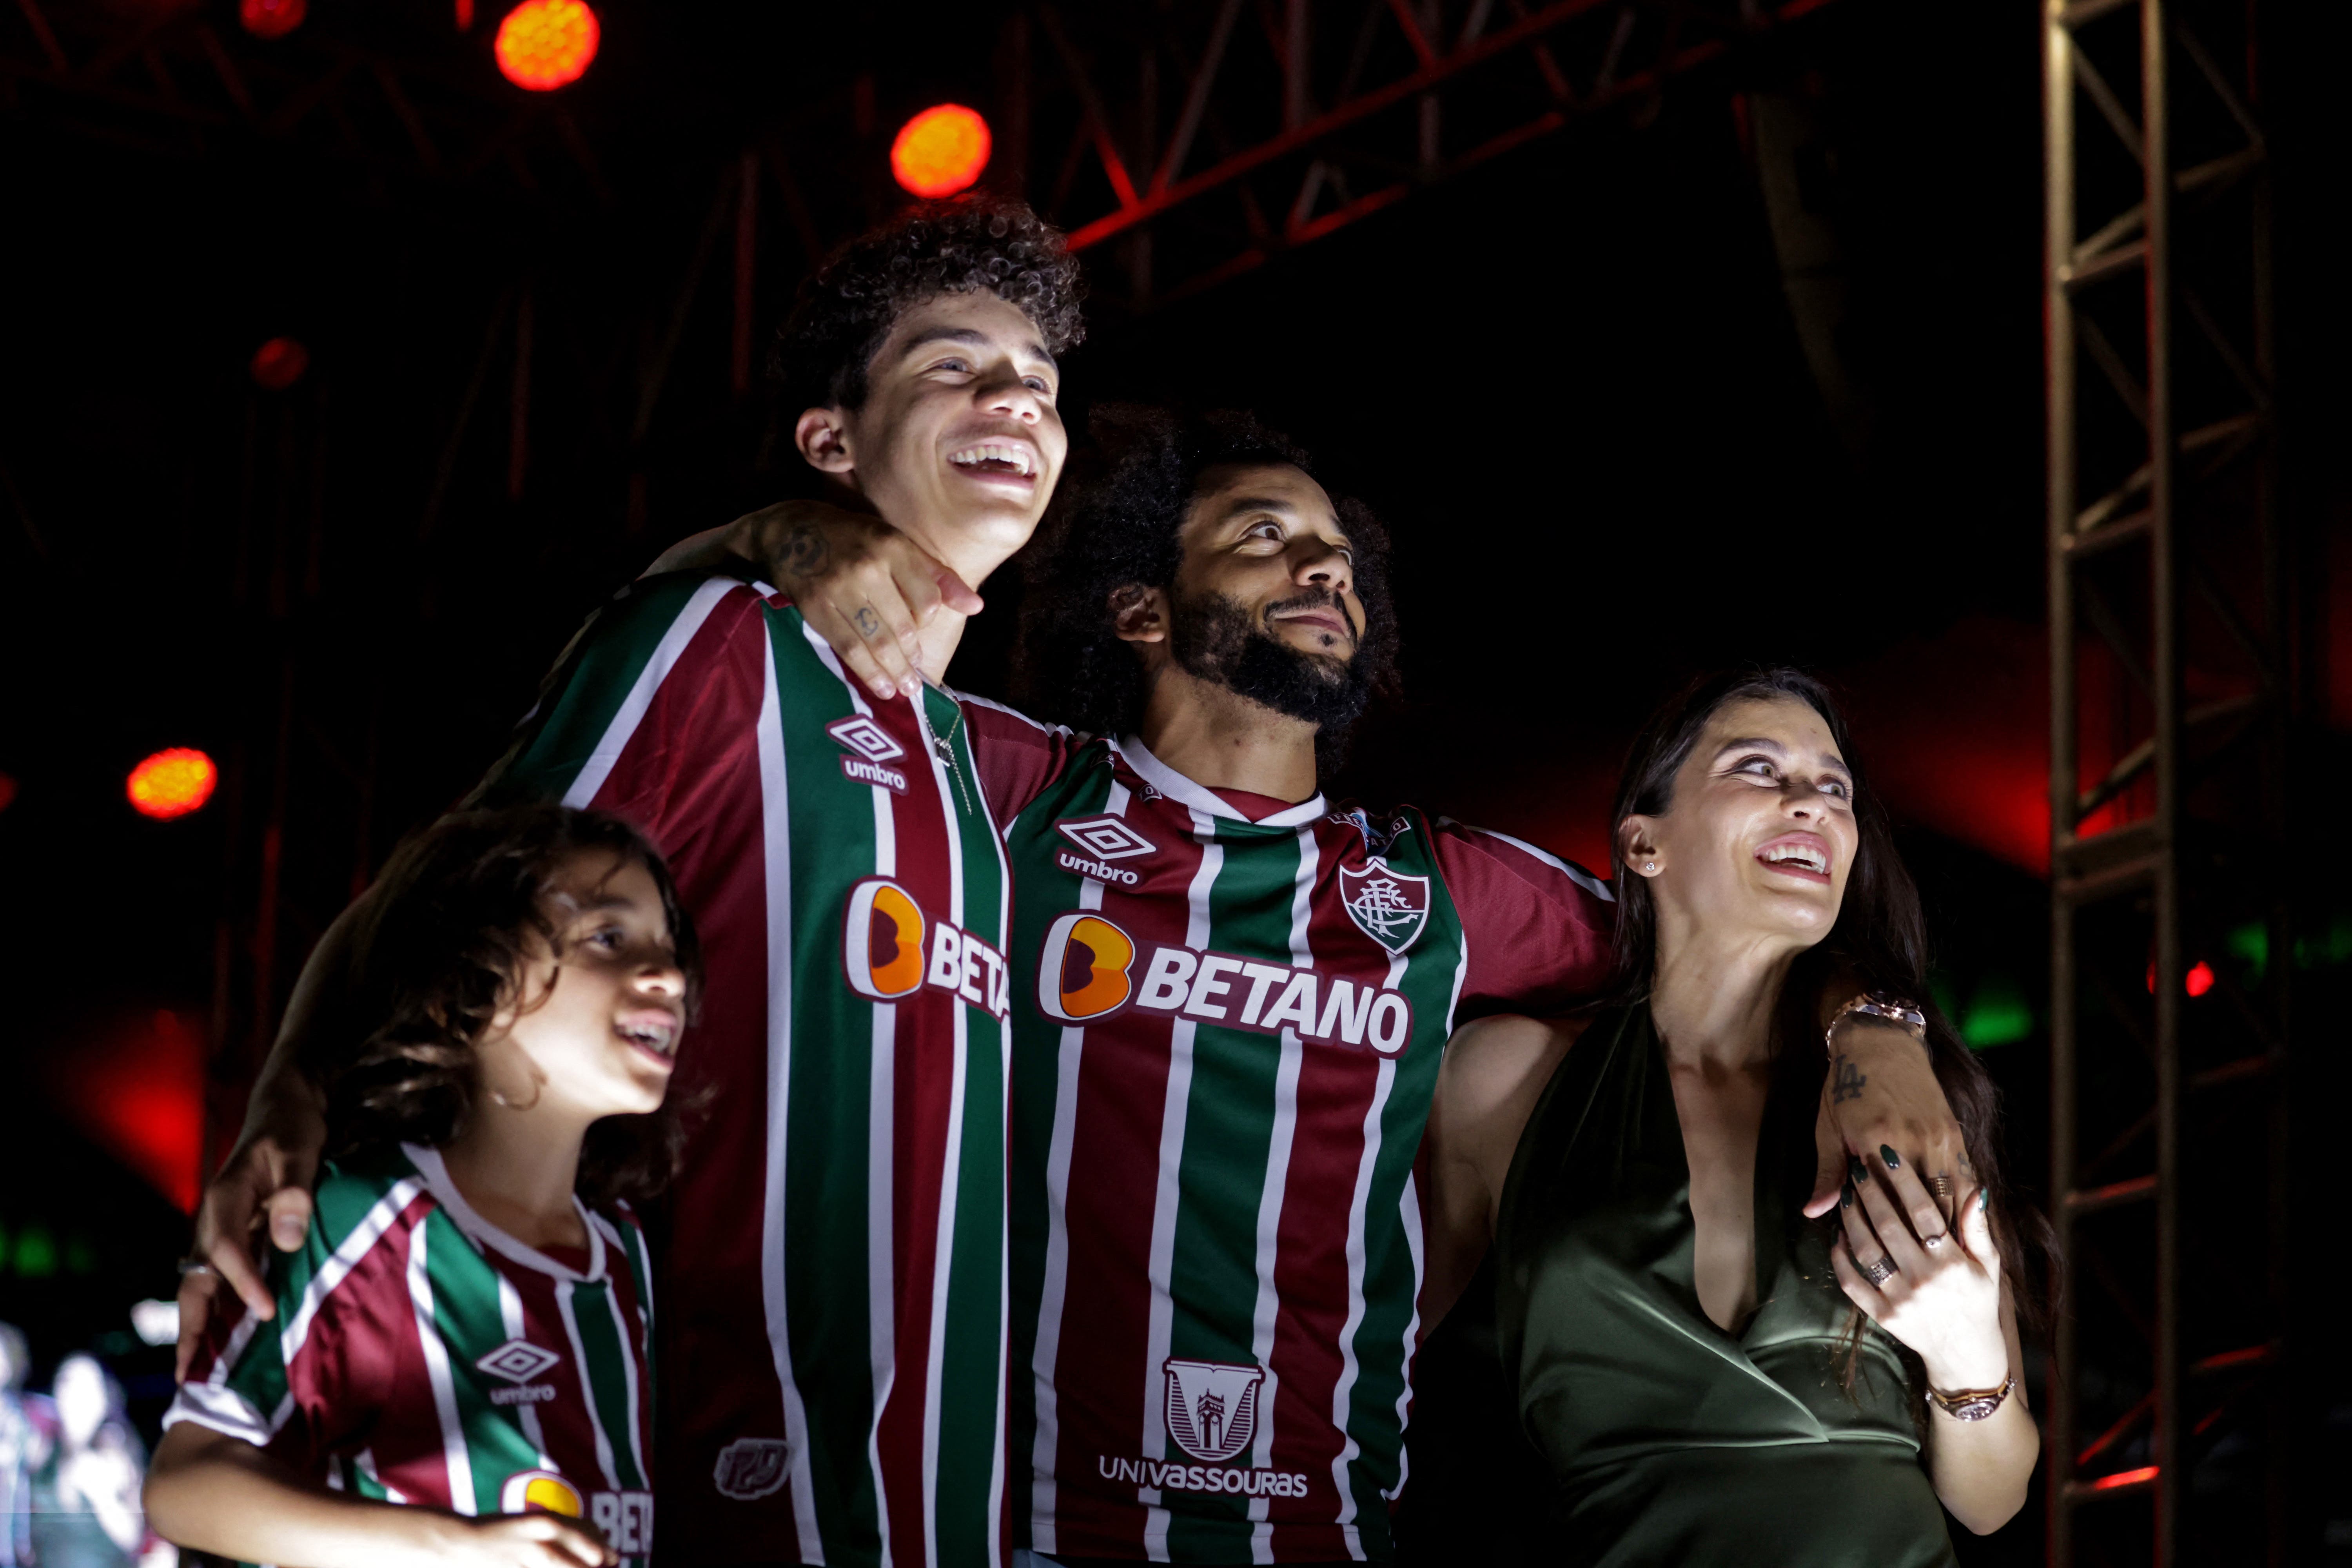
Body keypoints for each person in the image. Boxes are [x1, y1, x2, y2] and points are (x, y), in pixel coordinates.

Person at [727, 410, 1979, 1564]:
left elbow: (1733, 944)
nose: (1321, 568)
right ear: (1142, 612)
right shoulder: (1014, 793)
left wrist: (1883, 1034)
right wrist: (790, 534)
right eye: (1263, 536)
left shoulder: (1437, 888)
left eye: (1336, 550)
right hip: (1019, 1523)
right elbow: (731, 651)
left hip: (1323, 1531)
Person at [182, 200, 1084, 1568]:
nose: (1012, 394)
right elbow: (451, 885)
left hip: (943, 1489)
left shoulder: (988, 765)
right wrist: (290, 1099)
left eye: (1040, 381)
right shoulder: (725, 644)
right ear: (830, 444)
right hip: (720, 1444)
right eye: (955, 364)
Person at [1422, 670, 2043, 1565]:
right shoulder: (1502, 1076)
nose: (1812, 804)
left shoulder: (1897, 1100)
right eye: (1759, 767)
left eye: (1836, 788)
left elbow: (1992, 1501)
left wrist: (1965, 1349)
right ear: (1644, 842)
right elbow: (1354, 1363)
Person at [149, 804, 692, 1568]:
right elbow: (185, 1483)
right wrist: (453, 1545)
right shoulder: (353, 1218)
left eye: (669, 946)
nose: (668, 973)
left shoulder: (624, 1250)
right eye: (610, 935)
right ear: (472, 982)